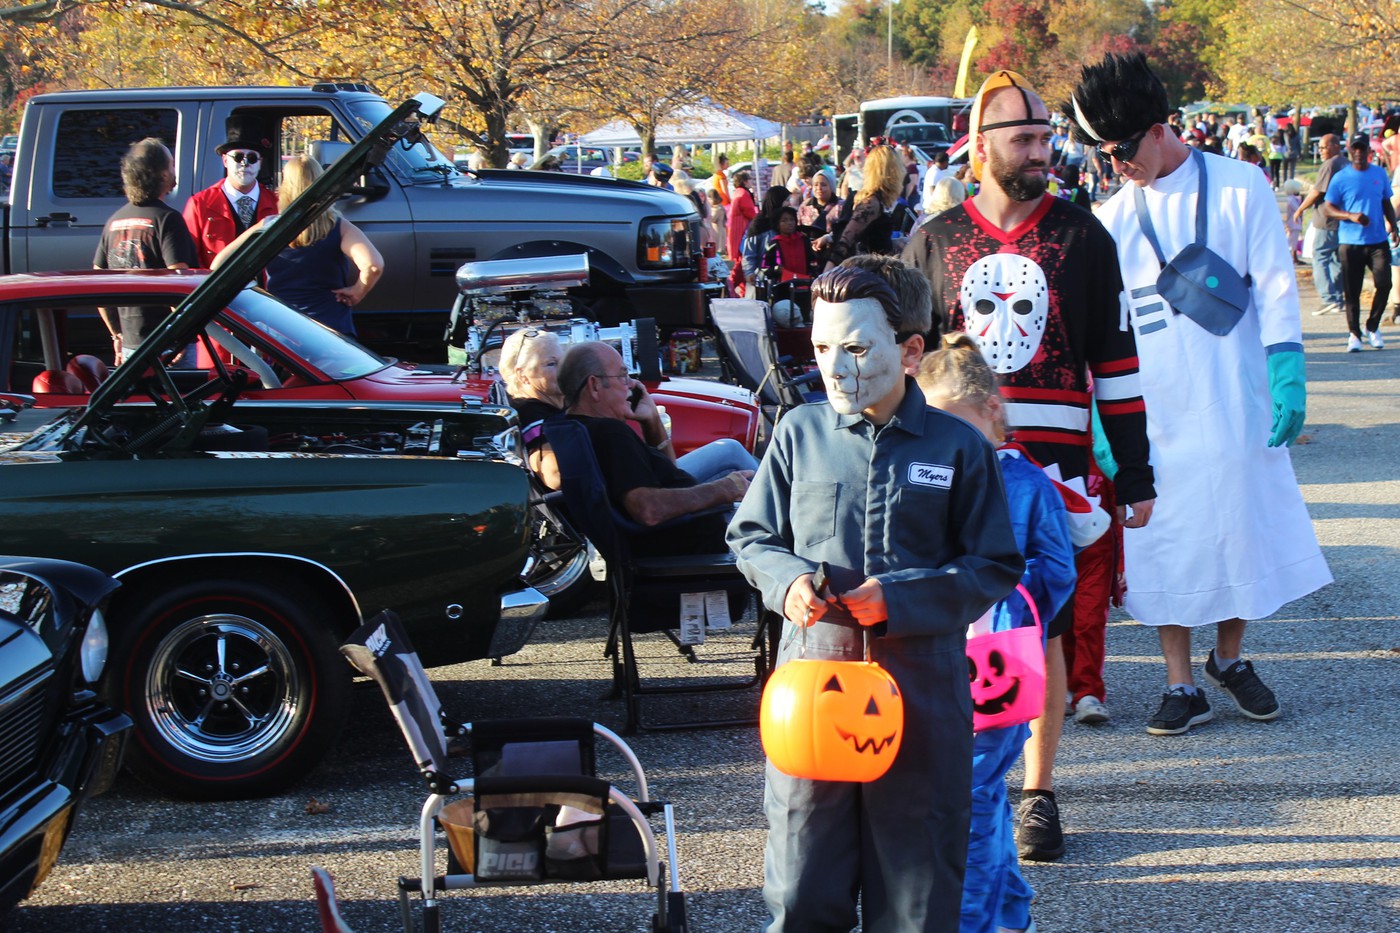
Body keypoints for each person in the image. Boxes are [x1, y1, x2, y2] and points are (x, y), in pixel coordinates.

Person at [903, 69, 1156, 863]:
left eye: (1047, 135)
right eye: (1024, 136)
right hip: (948, 466)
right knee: (946, 622)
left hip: (1053, 470)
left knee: (1035, 623)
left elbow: (1117, 363)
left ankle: (1037, 792)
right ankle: (949, 778)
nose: (1042, 149)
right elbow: (910, 363)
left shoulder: (1086, 239)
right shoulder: (933, 242)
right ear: (980, 147)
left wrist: (1138, 474)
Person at [728, 263, 1024, 933]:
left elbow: (995, 563)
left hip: (923, 697)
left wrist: (904, 595)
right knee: (803, 888)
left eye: (856, 347)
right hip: (811, 696)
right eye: (823, 346)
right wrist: (786, 580)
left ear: (911, 350)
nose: (834, 366)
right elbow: (750, 536)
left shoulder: (957, 448)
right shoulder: (798, 434)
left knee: (916, 898)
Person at [1067, 51, 1331, 737]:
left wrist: (1287, 370)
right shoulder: (1110, 218)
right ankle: (1179, 680)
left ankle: (1230, 656)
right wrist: (1101, 416)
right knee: (1167, 537)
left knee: (1240, 524)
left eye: (1121, 148)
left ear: (1160, 128)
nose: (1114, 163)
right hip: (1151, 412)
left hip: (1234, 393)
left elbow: (1276, 286)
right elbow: (1099, 329)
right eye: (1101, 152)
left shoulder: (1243, 187)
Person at [915, 333, 1076, 933]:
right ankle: (1008, 911)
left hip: (999, 658)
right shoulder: (930, 477)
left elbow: (1058, 572)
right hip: (937, 655)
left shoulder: (1028, 485)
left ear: (991, 412)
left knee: (971, 797)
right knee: (974, 792)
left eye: (955, 426)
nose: (947, 442)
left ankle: (976, 920)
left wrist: (996, 583)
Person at [558, 341, 756, 555]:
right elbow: (648, 510)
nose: (631, 385)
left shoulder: (576, 428)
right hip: (693, 550)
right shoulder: (610, 433)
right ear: (595, 386)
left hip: (671, 540)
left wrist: (651, 420)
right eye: (622, 376)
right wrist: (724, 489)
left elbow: (669, 475)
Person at [212, 155, 383, 336]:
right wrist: (357, 291)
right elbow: (373, 265)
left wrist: (253, 300)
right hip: (332, 330)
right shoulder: (339, 227)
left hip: (284, 330)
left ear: (285, 186)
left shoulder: (268, 227)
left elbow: (220, 263)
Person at [93, 137, 197, 363]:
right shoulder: (168, 220)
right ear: (161, 174)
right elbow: (178, 282)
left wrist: (117, 335)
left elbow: (98, 281)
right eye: (171, 165)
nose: (174, 170)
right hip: (166, 346)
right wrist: (180, 337)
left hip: (131, 344)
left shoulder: (114, 221)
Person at [1321, 135, 1398, 351]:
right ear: (1349, 149)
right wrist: (1350, 216)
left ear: (1368, 151)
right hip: (1350, 241)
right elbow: (1328, 208)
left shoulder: (1379, 173)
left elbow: (1386, 201)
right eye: (1354, 148)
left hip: (1378, 240)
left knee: (1384, 284)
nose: (1358, 152)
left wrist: (1394, 226)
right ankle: (1354, 334)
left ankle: (1372, 327)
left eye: (1362, 148)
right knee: (1352, 290)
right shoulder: (1341, 177)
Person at [183, 114, 279, 268]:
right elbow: (189, 261)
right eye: (238, 157)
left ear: (260, 163)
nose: (245, 163)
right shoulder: (199, 205)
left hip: (262, 292)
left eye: (252, 158)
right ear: (225, 160)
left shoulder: (276, 204)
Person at [499, 328, 565, 488]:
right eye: (552, 364)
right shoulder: (533, 414)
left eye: (564, 362)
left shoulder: (552, 407)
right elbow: (555, 475)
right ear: (522, 375)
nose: (564, 369)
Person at [825, 144, 909, 269]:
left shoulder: (877, 200)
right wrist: (826, 275)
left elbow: (873, 239)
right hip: (867, 276)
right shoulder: (871, 203)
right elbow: (845, 241)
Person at [1291, 133, 1347, 316]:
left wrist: (1300, 209)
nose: (1320, 151)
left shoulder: (1330, 164)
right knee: (1336, 259)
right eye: (1320, 148)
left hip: (1327, 219)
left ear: (1335, 146)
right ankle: (1338, 298)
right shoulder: (1345, 163)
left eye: (1324, 147)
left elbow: (1317, 191)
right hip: (1342, 220)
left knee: (1320, 257)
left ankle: (1328, 298)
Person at [725, 170, 756, 291]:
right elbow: (750, 212)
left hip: (735, 232)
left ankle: (739, 289)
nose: (751, 182)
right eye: (750, 180)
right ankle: (731, 288)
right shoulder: (744, 194)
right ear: (744, 181)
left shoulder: (737, 192)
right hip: (742, 233)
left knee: (740, 262)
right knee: (742, 263)